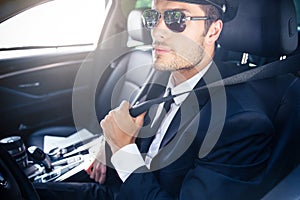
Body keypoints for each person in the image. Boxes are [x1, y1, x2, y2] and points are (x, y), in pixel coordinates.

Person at [35, 0, 300, 199]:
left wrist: (123, 153)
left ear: (213, 31)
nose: (158, 31)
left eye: (176, 19)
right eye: (153, 17)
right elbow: (129, 130)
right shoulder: (162, 73)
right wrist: (107, 146)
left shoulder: (239, 120)